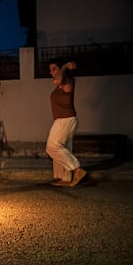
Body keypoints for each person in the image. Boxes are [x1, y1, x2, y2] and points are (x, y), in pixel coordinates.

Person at [46, 58, 87, 187]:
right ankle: (65, 178)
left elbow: (58, 79)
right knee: (62, 148)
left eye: (54, 69)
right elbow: (57, 80)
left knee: (52, 147)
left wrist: (64, 66)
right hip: (62, 120)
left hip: (65, 120)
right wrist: (61, 69)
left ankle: (77, 169)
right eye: (50, 70)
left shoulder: (67, 81)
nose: (51, 72)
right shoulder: (60, 85)